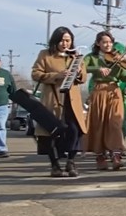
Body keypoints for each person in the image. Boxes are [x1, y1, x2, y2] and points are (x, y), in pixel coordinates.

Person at [31, 27, 88, 177]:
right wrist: (57, 75)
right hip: (53, 99)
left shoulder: (75, 57)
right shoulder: (45, 55)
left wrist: (79, 71)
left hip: (72, 100)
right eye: (62, 40)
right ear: (55, 40)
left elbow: (83, 78)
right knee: (51, 132)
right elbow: (36, 73)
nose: (65, 43)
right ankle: (55, 165)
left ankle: (71, 161)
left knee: (75, 130)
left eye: (68, 40)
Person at [84, 32, 126, 171]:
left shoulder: (117, 58)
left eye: (110, 42)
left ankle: (116, 155)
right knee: (99, 123)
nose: (108, 45)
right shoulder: (91, 57)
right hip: (99, 91)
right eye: (105, 42)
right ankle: (100, 156)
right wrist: (97, 69)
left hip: (114, 91)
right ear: (98, 43)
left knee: (115, 123)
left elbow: (125, 77)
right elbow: (81, 68)